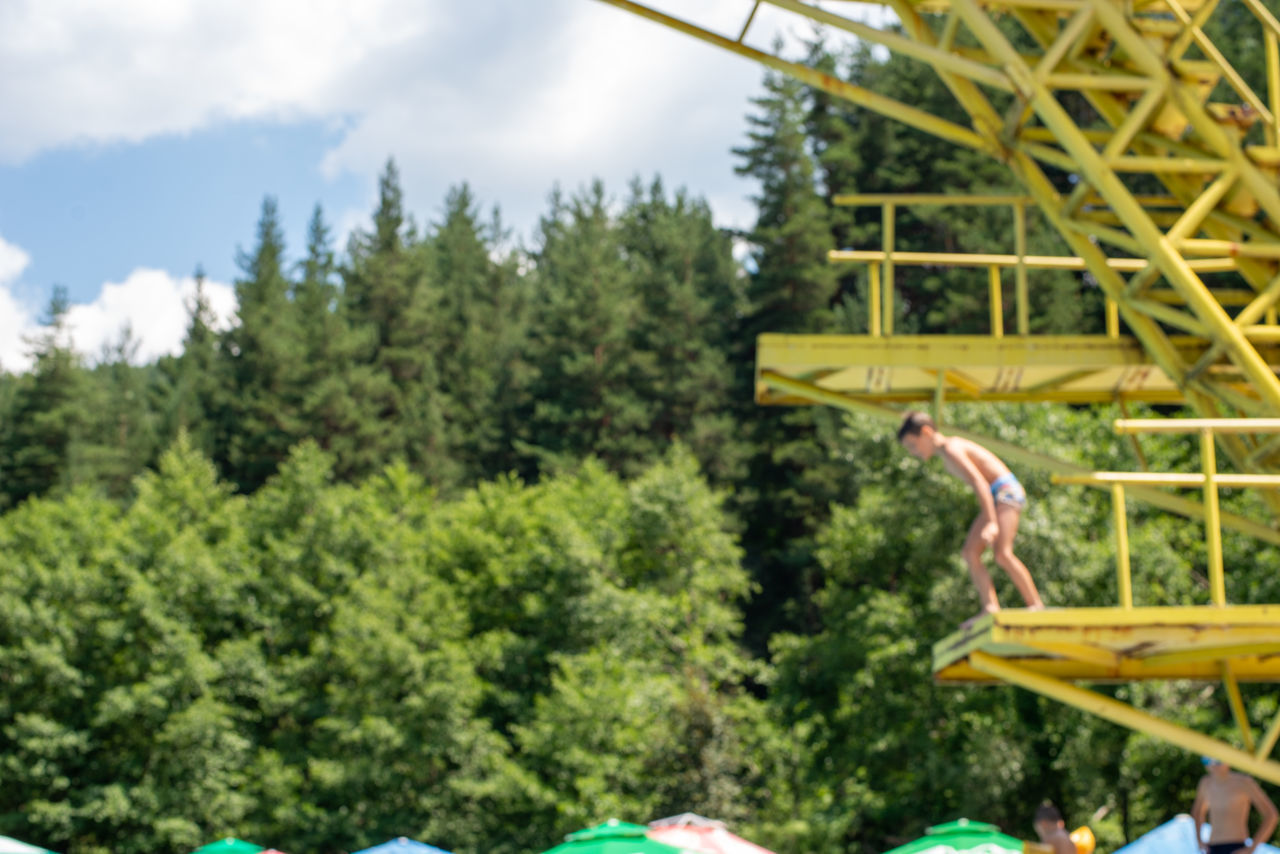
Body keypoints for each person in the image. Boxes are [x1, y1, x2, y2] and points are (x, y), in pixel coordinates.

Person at [896, 411, 1045, 622]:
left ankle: (1036, 605)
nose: (913, 452)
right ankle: (991, 607)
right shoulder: (946, 454)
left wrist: (992, 522)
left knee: (1002, 553)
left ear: (927, 432)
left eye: (913, 445)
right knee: (970, 553)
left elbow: (980, 483)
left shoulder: (951, 448)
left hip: (1005, 491)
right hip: (995, 497)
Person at [1191, 757, 1278, 854]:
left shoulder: (1243, 782)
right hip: (1212, 847)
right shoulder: (1205, 783)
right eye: (1207, 760)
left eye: (1217, 761)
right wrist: (1199, 840)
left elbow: (1271, 815)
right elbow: (1197, 812)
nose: (1212, 764)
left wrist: (1252, 848)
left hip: (1236, 847)